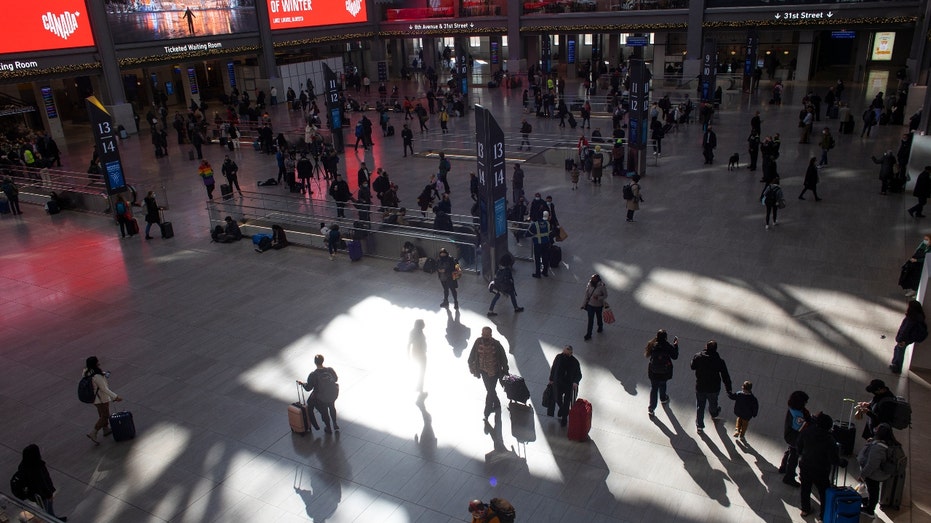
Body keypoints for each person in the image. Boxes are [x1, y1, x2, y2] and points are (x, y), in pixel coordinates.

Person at [797, 412, 842, 520]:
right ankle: (823, 515)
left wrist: (802, 454)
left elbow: (798, 444)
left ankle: (805, 509)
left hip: (806, 465)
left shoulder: (807, 431)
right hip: (821, 470)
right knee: (823, 492)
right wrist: (842, 462)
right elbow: (833, 459)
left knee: (805, 488)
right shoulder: (829, 440)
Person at [857, 423, 899, 518]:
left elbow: (872, 465)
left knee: (873, 490)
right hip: (880, 473)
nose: (875, 429)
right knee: (873, 489)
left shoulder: (878, 448)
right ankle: (869, 502)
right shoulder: (889, 443)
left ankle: (870, 509)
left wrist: (862, 476)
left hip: (874, 474)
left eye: (877, 428)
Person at [690, 340, 732, 432]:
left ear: (706, 347)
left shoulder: (698, 356)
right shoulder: (719, 361)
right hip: (714, 387)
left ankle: (700, 425)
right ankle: (714, 413)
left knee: (700, 406)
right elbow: (725, 375)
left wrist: (692, 360)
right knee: (713, 402)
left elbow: (692, 366)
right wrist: (728, 389)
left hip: (700, 386)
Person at [467, 326, 509, 420]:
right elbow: (472, 354)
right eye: (483, 334)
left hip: (494, 372)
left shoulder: (496, 344)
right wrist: (470, 364)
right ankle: (497, 403)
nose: (485, 336)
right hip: (484, 372)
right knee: (490, 390)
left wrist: (505, 371)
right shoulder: (478, 342)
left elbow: (503, 358)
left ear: (491, 334)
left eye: (487, 334)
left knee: (490, 391)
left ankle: (487, 411)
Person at [16, 444, 67, 521]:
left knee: (44, 507)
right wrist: (49, 494)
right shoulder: (37, 467)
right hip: (43, 493)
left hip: (34, 494)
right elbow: (42, 482)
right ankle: (53, 519)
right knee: (47, 507)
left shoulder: (23, 465)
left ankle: (53, 518)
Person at [83, 356, 122, 445]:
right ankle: (93, 432)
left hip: (94, 399)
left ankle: (106, 429)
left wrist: (103, 374)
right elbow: (104, 389)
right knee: (105, 416)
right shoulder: (97, 376)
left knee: (101, 413)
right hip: (101, 399)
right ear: (95, 363)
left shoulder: (86, 372)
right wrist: (115, 397)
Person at [298, 354, 340, 433]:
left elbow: (308, 388)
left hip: (322, 397)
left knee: (322, 410)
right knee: (332, 406)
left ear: (315, 362)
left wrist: (303, 384)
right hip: (332, 394)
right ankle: (335, 423)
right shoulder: (330, 370)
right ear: (323, 360)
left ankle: (327, 427)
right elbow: (336, 379)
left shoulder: (313, 375)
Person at [779, 390, 812, 487]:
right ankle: (789, 476)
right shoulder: (798, 415)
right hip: (795, 438)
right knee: (793, 457)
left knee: (789, 451)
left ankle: (783, 467)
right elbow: (802, 428)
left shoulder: (792, 409)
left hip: (790, 435)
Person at [645, 329, 679, 417]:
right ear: (666, 337)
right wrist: (676, 346)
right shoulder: (667, 346)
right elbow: (675, 356)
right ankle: (663, 398)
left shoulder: (652, 345)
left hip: (653, 371)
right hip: (665, 371)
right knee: (663, 384)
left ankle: (651, 408)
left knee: (654, 388)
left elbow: (647, 354)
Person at [547, 345, 582, 427]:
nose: (564, 355)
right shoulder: (559, 357)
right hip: (558, 383)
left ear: (571, 353)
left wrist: (575, 382)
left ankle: (564, 418)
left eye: (566, 354)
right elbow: (554, 368)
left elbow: (579, 374)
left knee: (567, 402)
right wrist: (551, 379)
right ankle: (563, 409)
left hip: (568, 384)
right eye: (563, 353)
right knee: (557, 398)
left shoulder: (575, 362)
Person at [890, 299, 927, 373]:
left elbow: (905, 330)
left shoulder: (910, 319)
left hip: (904, 340)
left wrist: (900, 340)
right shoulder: (919, 317)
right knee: (898, 350)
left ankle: (896, 367)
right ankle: (895, 364)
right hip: (909, 339)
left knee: (899, 352)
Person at [581, 274, 607, 341]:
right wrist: (583, 304)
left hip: (598, 305)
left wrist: (598, 298)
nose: (592, 279)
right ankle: (589, 334)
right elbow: (586, 295)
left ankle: (600, 326)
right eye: (592, 278)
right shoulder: (590, 284)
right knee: (590, 320)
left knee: (599, 317)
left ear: (597, 279)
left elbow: (605, 295)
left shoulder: (602, 286)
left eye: (593, 278)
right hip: (590, 305)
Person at [528, 210, 552, 278]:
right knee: (545, 258)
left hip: (538, 244)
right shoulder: (547, 223)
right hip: (546, 244)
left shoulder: (534, 225)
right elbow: (550, 233)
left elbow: (528, 234)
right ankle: (545, 272)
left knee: (537, 259)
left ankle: (538, 274)